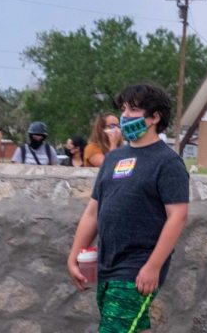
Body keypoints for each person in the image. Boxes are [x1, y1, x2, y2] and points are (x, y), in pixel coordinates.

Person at [67, 83, 189, 333]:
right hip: (106, 265)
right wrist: (74, 255)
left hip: (137, 268)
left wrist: (153, 266)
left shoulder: (168, 162)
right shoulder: (113, 158)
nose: (125, 116)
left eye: (133, 109)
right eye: (123, 108)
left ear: (155, 117)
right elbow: (93, 212)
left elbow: (177, 216)